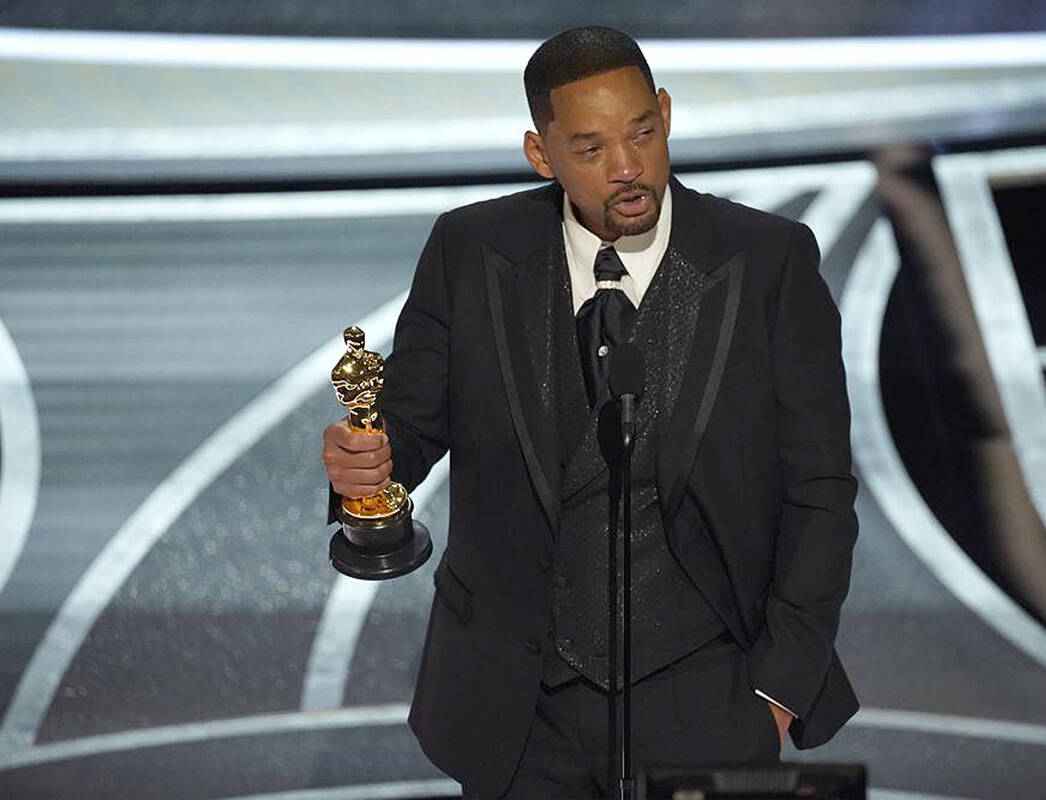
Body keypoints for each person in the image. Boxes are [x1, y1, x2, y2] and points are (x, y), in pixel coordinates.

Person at [321, 25, 858, 799]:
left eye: (642, 133)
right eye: (593, 148)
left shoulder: (770, 261)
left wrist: (777, 693)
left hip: (711, 690)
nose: (629, 168)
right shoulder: (470, 251)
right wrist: (363, 466)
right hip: (521, 705)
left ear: (666, 114)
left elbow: (820, 488)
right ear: (542, 155)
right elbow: (404, 428)